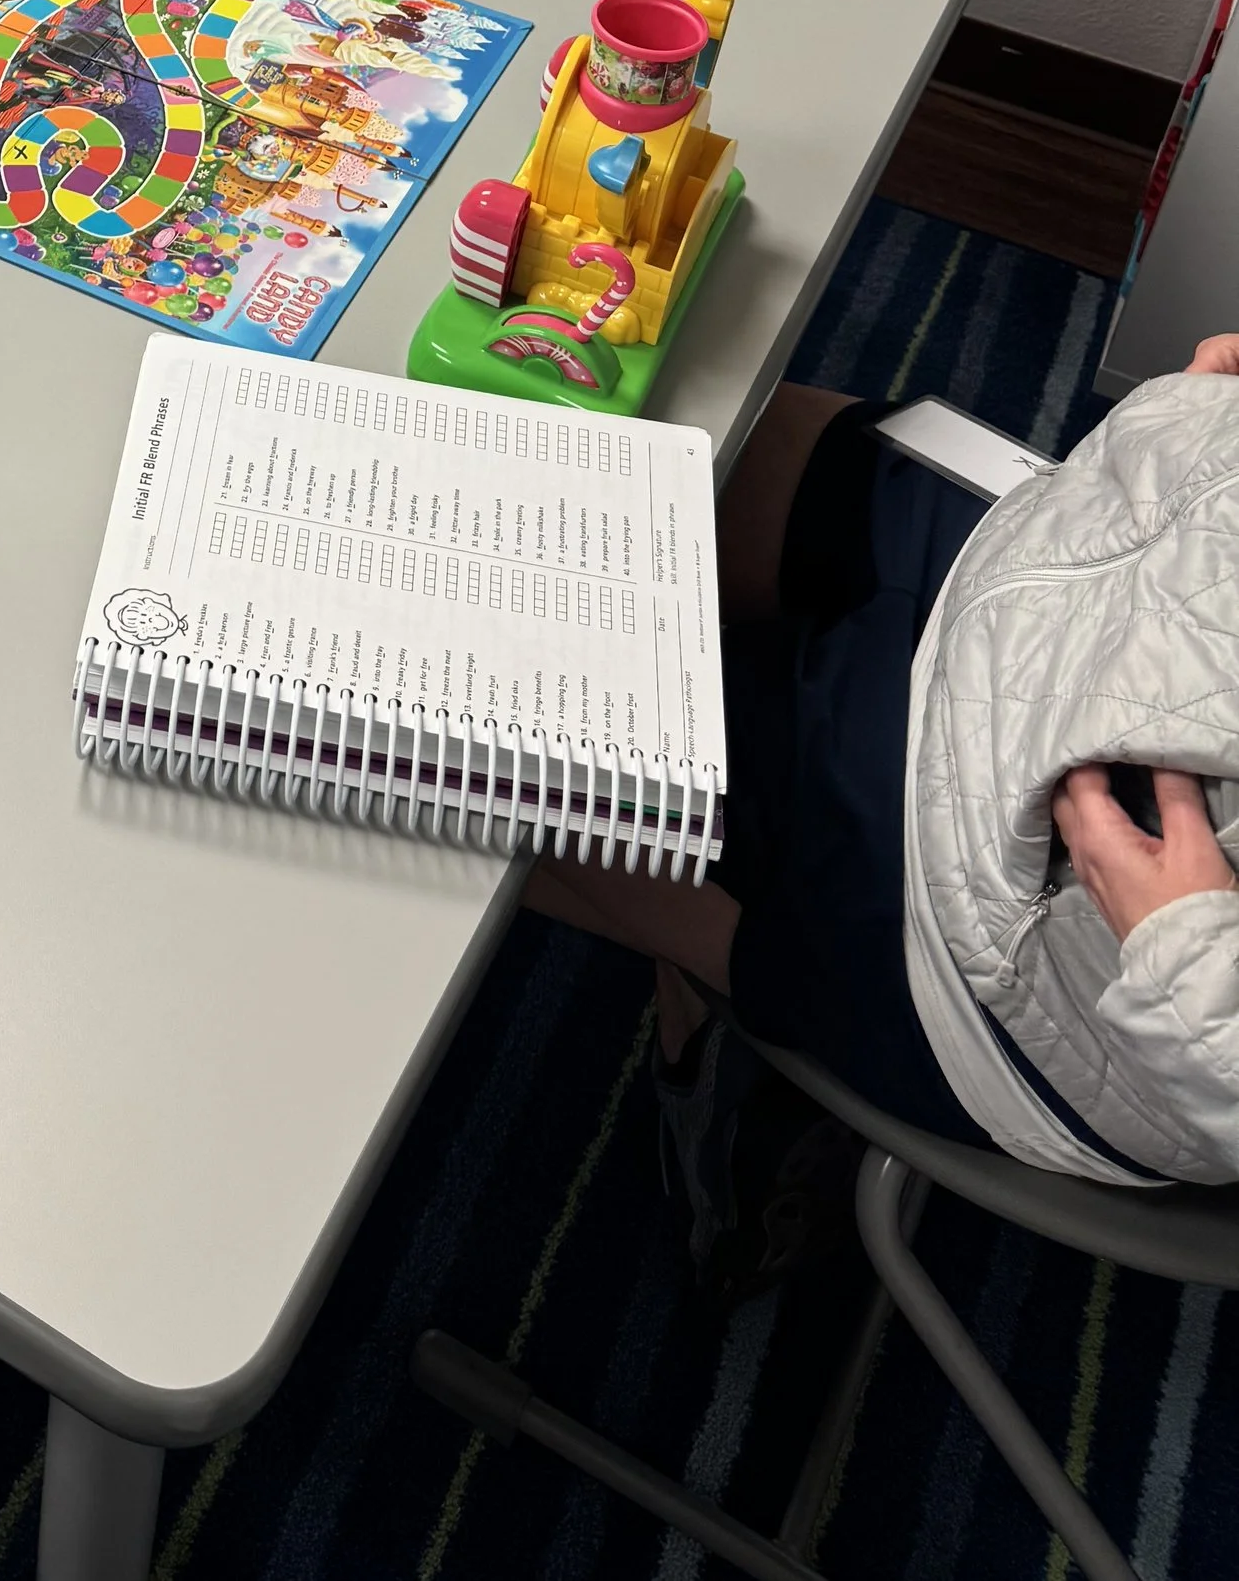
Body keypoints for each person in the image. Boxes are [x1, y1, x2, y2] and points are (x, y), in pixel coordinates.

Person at [528, 338, 1239, 1290]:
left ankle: (730, 1072)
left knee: (472, 714)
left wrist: (1189, 952)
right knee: (635, 435)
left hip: (1016, 912)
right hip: (1105, 558)